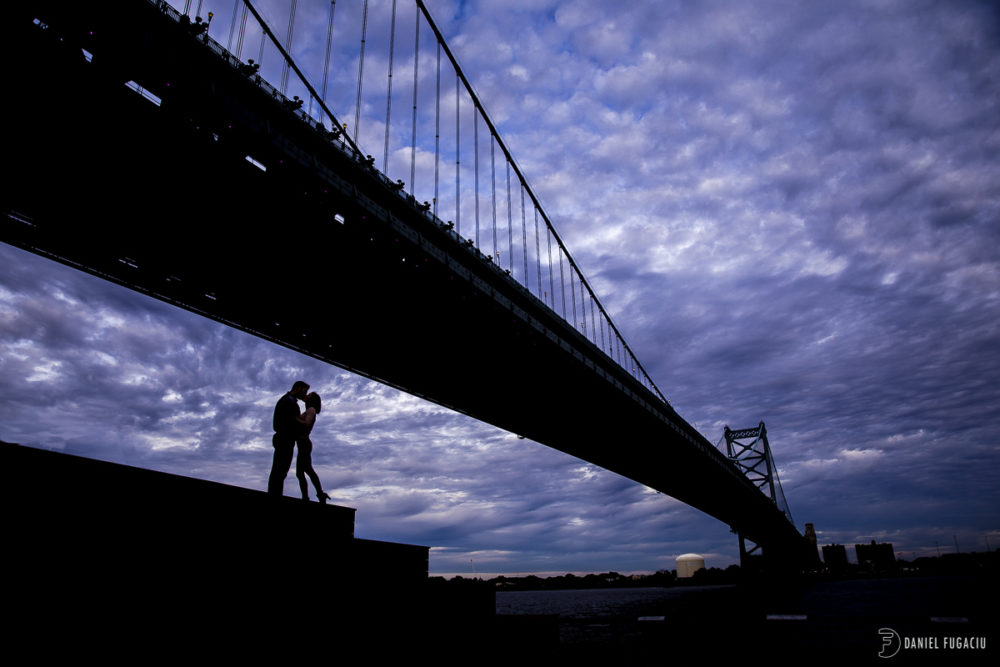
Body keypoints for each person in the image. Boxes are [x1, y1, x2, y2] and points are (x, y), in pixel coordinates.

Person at [268, 380, 309, 496]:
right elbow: (292, 421)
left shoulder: (287, 400)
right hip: (285, 439)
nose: (305, 394)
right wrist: (303, 422)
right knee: (279, 472)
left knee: (279, 472)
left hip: (284, 439)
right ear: (298, 388)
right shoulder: (289, 402)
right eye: (305, 391)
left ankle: (274, 494)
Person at [295, 392, 331, 503]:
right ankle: (317, 494)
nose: (306, 395)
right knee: (304, 471)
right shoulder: (310, 410)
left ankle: (312, 496)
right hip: (303, 443)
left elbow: (306, 423)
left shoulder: (311, 410)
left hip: (304, 443)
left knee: (304, 471)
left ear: (312, 399)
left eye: (309, 395)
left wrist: (294, 418)